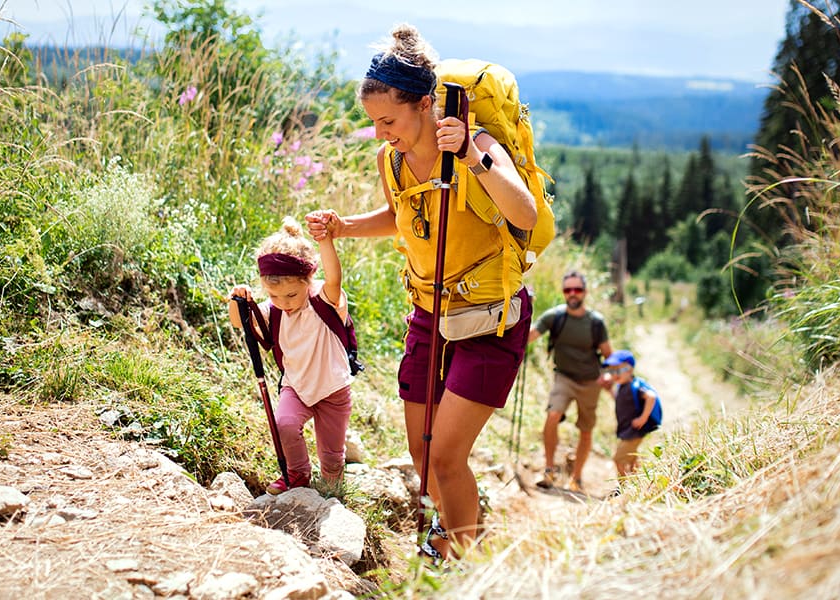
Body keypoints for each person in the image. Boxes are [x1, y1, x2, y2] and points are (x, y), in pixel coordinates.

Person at [305, 23, 536, 562]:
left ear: (427, 104)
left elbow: (522, 211)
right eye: (374, 123)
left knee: (449, 456)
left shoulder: (476, 144)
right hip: (429, 313)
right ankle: (454, 533)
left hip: (490, 318)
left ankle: (464, 562)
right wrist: (343, 227)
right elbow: (401, 215)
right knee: (423, 453)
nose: (382, 133)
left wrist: (475, 160)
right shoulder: (392, 158)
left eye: (389, 120)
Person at [227, 217, 353, 495]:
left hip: (333, 388)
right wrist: (236, 300)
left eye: (292, 295)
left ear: (308, 280)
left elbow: (334, 277)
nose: (285, 303)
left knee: (332, 455)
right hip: (296, 385)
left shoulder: (324, 299)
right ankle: (297, 475)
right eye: (274, 295)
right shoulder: (274, 310)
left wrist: (325, 241)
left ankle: (333, 490)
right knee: (284, 424)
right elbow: (240, 322)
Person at [526, 270, 613, 492]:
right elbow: (530, 335)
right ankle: (549, 470)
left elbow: (609, 355)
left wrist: (613, 379)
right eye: (568, 290)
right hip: (563, 377)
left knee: (585, 430)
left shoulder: (595, 322)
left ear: (585, 292)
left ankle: (577, 477)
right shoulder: (554, 317)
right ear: (563, 292)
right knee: (552, 415)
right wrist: (524, 309)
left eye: (577, 289)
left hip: (590, 382)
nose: (572, 294)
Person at [600, 349, 661, 477]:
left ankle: (624, 486)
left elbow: (651, 397)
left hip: (635, 430)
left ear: (630, 370)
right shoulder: (622, 387)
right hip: (627, 430)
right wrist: (609, 390)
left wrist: (643, 418)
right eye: (611, 371)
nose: (614, 375)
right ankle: (637, 481)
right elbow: (620, 401)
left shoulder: (635, 386)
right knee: (632, 459)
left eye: (618, 371)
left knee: (618, 460)